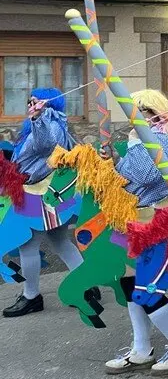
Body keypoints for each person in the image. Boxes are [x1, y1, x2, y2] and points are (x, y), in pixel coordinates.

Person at [104, 89, 168, 375]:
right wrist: (114, 160)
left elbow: (142, 176)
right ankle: (141, 349)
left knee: (146, 290)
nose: (130, 120)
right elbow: (132, 178)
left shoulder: (155, 139)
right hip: (140, 221)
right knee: (130, 284)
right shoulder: (147, 138)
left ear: (151, 114)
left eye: (135, 113)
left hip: (160, 224)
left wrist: (129, 148)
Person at [2, 88, 86, 318]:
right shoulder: (48, 122)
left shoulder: (51, 123)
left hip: (39, 195)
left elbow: (45, 144)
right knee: (60, 241)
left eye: (36, 100)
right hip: (42, 192)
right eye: (30, 100)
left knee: (27, 245)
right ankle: (85, 285)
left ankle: (31, 297)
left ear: (49, 103)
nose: (31, 104)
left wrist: (38, 117)